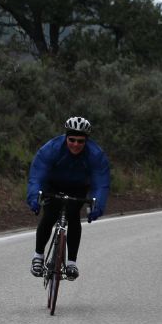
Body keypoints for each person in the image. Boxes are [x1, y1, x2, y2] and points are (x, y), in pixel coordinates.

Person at [26, 116, 110, 280]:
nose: (76, 145)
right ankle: (38, 256)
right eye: (72, 140)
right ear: (66, 137)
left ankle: (71, 262)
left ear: (86, 141)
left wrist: (97, 206)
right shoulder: (51, 149)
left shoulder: (95, 154)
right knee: (49, 215)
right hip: (53, 185)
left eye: (80, 141)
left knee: (73, 217)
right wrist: (34, 197)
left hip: (78, 187)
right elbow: (37, 176)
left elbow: (101, 183)